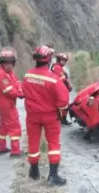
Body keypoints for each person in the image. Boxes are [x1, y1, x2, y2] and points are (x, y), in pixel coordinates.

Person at [22, 45, 69, 186]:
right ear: (49, 59)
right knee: (53, 143)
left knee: (33, 142)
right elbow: (63, 101)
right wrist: (60, 112)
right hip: (50, 116)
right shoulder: (53, 79)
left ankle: (34, 171)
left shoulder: (27, 75)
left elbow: (23, 92)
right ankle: (53, 176)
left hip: (32, 116)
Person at [0, 46, 24, 157]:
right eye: (7, 63)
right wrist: (20, 94)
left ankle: (1, 147)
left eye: (11, 63)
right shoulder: (1, 74)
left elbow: (17, 83)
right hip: (6, 104)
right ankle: (15, 151)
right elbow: (8, 90)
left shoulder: (9, 73)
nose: (9, 65)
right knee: (14, 125)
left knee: (3, 125)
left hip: (6, 104)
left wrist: (20, 90)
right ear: (2, 63)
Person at [51, 52, 72, 125]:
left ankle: (59, 118)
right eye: (63, 60)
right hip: (60, 88)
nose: (64, 62)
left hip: (56, 88)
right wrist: (69, 86)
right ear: (59, 60)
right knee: (65, 104)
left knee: (58, 104)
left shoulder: (54, 66)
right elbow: (63, 79)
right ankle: (63, 119)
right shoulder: (57, 67)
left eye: (65, 60)